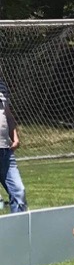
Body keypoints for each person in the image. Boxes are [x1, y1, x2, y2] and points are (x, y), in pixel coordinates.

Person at [0, 77, 28, 213]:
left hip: (5, 151)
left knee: (19, 192)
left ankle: (18, 225)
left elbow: (8, 115)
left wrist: (15, 137)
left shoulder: (2, 87)